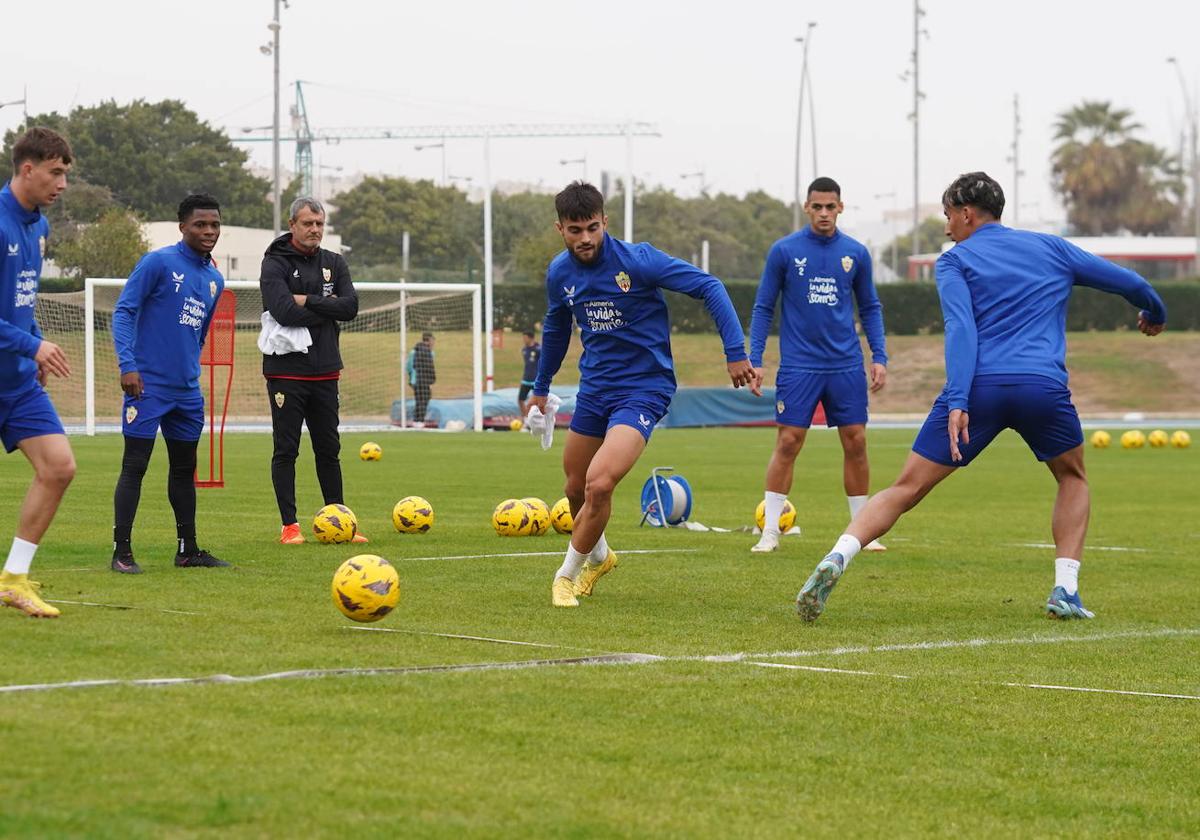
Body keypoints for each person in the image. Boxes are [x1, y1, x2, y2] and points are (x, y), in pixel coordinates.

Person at [795, 171, 1167, 622]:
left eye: (949, 216)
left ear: (968, 214)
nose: (948, 227)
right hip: (1042, 388)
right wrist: (1154, 311)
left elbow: (961, 328)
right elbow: (1130, 283)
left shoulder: (955, 261)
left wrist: (958, 401)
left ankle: (838, 555)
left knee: (907, 487)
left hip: (981, 389)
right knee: (1073, 477)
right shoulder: (1051, 248)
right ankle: (1065, 589)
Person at [530, 181, 760, 608]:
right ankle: (601, 557)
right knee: (576, 488)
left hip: (643, 390)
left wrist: (735, 353)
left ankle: (566, 576)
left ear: (605, 223)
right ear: (559, 228)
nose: (585, 239)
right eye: (575, 230)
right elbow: (557, 327)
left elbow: (710, 286)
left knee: (600, 484)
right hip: (595, 389)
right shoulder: (559, 273)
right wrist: (539, 389)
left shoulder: (638, 261)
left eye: (593, 228)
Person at [748, 177, 889, 554]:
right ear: (807, 207)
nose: (824, 213)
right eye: (817, 207)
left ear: (840, 207)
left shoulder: (855, 253)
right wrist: (755, 359)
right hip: (799, 365)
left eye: (831, 206)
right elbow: (763, 307)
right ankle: (770, 532)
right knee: (789, 441)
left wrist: (880, 356)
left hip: (845, 364)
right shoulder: (784, 251)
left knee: (856, 441)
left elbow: (870, 307)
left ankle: (863, 532)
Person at [109, 194, 228, 573]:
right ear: (182, 226)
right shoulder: (158, 262)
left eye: (214, 224)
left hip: (186, 392)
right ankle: (122, 553)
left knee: (183, 469)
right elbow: (124, 311)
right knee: (135, 466)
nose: (208, 231)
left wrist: (189, 373)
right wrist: (128, 365)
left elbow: (200, 334)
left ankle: (187, 550)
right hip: (146, 387)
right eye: (200, 224)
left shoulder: (214, 278)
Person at [0, 127, 77, 618]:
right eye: (55, 172)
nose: (62, 183)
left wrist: (34, 351)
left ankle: (13, 577)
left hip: (17, 381)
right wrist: (33, 345)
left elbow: (20, 302)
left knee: (59, 467)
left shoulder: (39, 227)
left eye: (66, 173)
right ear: (27, 169)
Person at [260, 197, 366, 545]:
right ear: (292, 224)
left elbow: (350, 307)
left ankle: (339, 521)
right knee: (286, 449)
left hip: (325, 371)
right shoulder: (274, 263)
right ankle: (289, 526)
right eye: (308, 223)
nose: (315, 230)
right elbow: (283, 312)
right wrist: (327, 307)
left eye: (319, 224)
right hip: (286, 372)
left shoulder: (334, 262)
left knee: (328, 449)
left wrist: (305, 299)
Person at [405, 332, 436, 426]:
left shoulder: (416, 351)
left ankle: (417, 421)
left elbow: (408, 367)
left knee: (420, 400)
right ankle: (419, 421)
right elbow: (410, 366)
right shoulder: (422, 353)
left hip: (417, 379)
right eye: (433, 341)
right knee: (422, 400)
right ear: (429, 340)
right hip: (420, 379)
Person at [517, 329, 541, 417]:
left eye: (525, 338)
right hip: (526, 379)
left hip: (536, 380)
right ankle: (526, 420)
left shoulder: (539, 349)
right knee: (520, 400)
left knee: (537, 402)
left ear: (531, 338)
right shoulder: (524, 350)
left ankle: (538, 420)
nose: (523, 340)